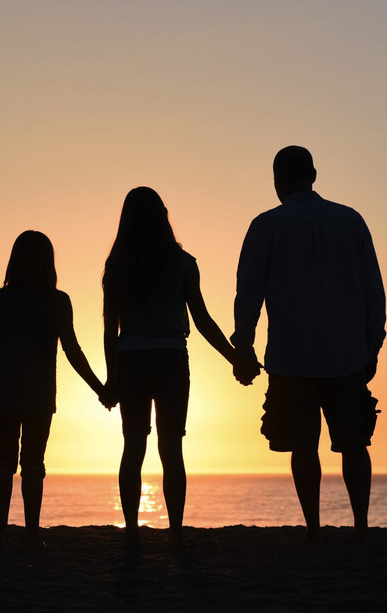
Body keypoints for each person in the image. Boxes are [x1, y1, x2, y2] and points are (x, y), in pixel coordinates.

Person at [231, 146, 386, 544]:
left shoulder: (266, 225)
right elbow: (373, 292)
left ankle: (314, 528)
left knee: (303, 446)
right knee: (354, 443)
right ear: (314, 174)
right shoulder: (350, 220)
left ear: (277, 181)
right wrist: (373, 346)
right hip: (347, 352)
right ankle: (361, 526)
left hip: (291, 355)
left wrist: (243, 345)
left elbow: (249, 292)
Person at [103, 187, 241, 550]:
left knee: (133, 446)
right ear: (163, 215)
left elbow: (109, 329)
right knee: (171, 447)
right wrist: (234, 357)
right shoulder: (183, 263)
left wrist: (110, 377)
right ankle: (176, 531)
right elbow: (203, 321)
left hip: (130, 359)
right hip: (170, 358)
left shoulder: (117, 266)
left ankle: (132, 530)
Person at [0, 230, 108, 548]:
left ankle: (2, 532)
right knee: (33, 462)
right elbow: (72, 350)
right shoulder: (56, 300)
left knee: (3, 458)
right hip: (40, 391)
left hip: (5, 387)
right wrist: (99, 387)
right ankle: (31, 534)